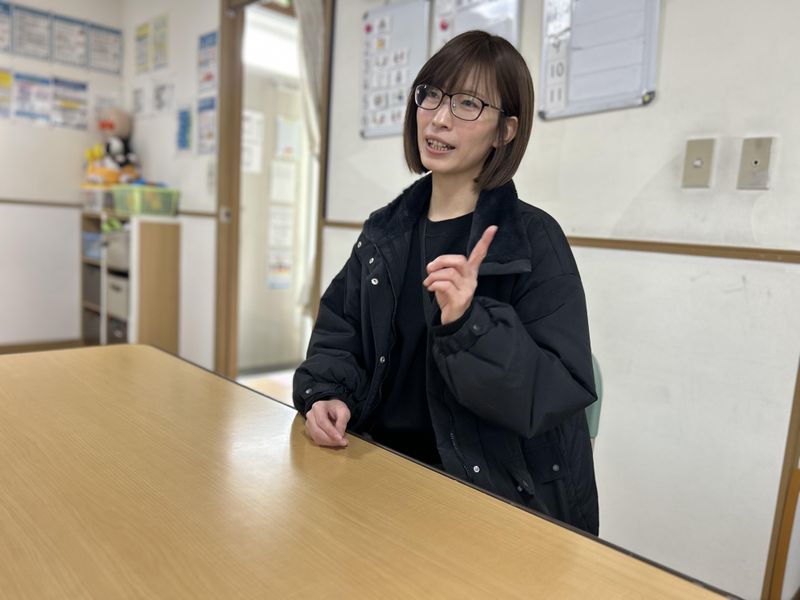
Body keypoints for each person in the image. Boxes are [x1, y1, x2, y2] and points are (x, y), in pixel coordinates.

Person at [294, 30, 599, 535]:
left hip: (490, 495)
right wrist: (327, 393)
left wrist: (469, 324)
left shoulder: (533, 239)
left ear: (505, 131)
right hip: (380, 471)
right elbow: (340, 333)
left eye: (468, 103)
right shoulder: (386, 232)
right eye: (431, 95)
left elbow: (557, 390)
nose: (438, 117)